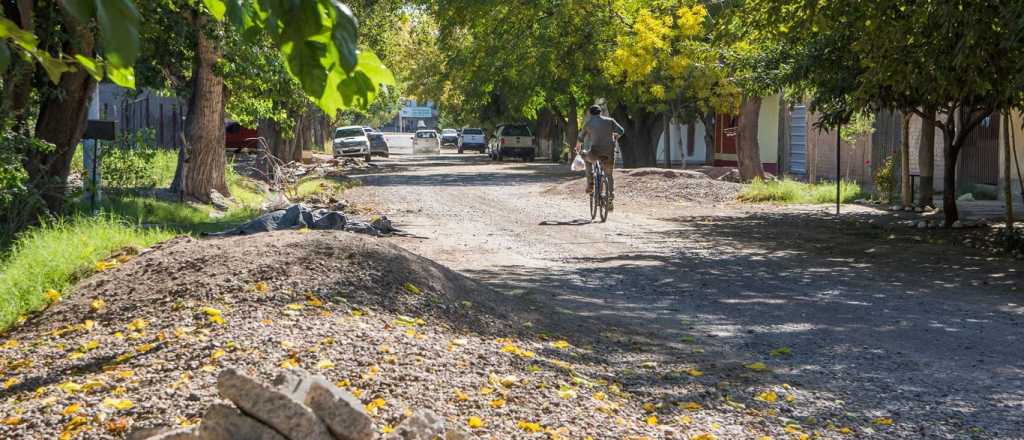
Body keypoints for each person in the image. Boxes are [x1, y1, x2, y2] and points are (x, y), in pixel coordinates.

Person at [576, 105, 625, 210]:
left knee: (585, 157)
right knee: (609, 174)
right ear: (600, 112)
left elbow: (580, 138)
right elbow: (621, 130)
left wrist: (578, 148)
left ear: (590, 113)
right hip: (609, 152)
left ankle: (590, 184)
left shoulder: (588, 123)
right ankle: (610, 197)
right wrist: (615, 137)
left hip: (595, 153)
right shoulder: (610, 121)